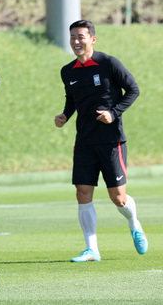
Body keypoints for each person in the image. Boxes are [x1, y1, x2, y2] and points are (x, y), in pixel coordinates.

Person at [54, 20, 147, 262]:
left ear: (92, 39)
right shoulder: (68, 71)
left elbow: (133, 90)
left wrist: (113, 113)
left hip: (111, 141)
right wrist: (65, 114)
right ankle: (92, 249)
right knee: (82, 192)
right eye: (72, 36)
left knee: (118, 198)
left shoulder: (109, 64)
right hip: (84, 141)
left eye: (81, 37)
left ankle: (134, 223)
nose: (76, 41)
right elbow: (72, 99)